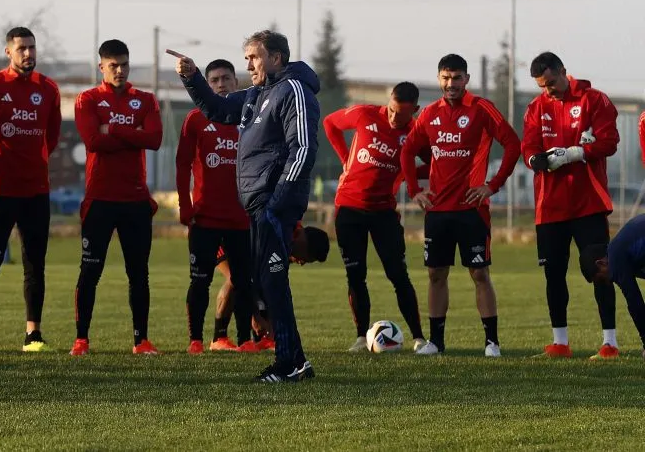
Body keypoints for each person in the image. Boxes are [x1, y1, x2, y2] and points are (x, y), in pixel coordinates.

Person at [174, 29, 325, 382]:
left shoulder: (294, 91)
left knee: (272, 281)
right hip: (258, 205)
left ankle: (289, 363)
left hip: (275, 204)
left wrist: (278, 199)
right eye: (247, 58)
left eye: (254, 57)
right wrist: (192, 78)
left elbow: (302, 148)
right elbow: (217, 108)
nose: (249, 64)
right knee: (269, 282)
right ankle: (296, 362)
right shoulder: (259, 93)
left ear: (276, 58)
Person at [401, 54, 520, 358]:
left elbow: (512, 143)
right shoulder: (429, 114)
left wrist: (492, 186)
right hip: (438, 211)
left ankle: (492, 342)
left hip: (472, 210)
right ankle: (436, 342)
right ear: (439, 78)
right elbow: (407, 151)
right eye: (445, 77)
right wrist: (415, 190)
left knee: (479, 274)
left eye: (456, 78)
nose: (450, 84)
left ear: (466, 79)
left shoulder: (481, 109)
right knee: (436, 275)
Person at [0, 27, 61, 353]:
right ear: (9, 51)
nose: (28, 54)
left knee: (35, 263)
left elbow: (52, 136)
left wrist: (34, 162)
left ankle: (33, 334)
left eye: (32, 47)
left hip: (36, 190)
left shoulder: (48, 89)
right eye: (21, 48)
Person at [523, 51, 620, 359]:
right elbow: (528, 146)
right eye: (542, 85)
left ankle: (610, 343)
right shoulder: (535, 108)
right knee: (553, 274)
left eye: (551, 82)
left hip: (588, 204)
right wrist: (535, 160)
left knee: (600, 270)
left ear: (564, 71)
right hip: (549, 208)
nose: (548, 90)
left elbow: (609, 142)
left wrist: (575, 153)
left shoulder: (595, 100)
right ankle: (560, 343)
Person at [71, 39, 162, 356]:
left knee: (139, 273)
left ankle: (141, 340)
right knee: (90, 271)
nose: (120, 70)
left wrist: (115, 129)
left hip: (135, 200)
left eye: (124, 64)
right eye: (113, 65)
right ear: (102, 67)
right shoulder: (87, 99)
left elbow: (154, 139)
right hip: (99, 199)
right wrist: (129, 133)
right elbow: (93, 140)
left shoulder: (146, 100)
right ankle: (81, 340)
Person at [323, 82, 428, 352]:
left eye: (401, 115)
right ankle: (360, 338)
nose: (394, 118)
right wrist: (345, 158)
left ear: (414, 110)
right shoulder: (365, 113)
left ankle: (419, 338)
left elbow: (435, 161)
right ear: (388, 101)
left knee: (398, 274)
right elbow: (330, 123)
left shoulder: (416, 133)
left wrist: (409, 174)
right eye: (392, 110)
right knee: (356, 275)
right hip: (349, 207)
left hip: (383, 212)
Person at [175, 58, 254, 353]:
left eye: (226, 79)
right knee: (200, 281)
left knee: (243, 281)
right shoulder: (195, 119)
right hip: (205, 218)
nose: (221, 84)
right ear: (207, 86)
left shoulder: (248, 119)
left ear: (237, 83)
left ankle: (245, 340)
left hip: (241, 218)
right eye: (215, 80)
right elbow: (182, 165)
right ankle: (196, 340)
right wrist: (185, 205)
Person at [579, 215, 645, 356]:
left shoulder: (615, 259)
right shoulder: (621, 246)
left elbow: (635, 302)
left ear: (600, 263)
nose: (608, 282)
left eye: (601, 279)